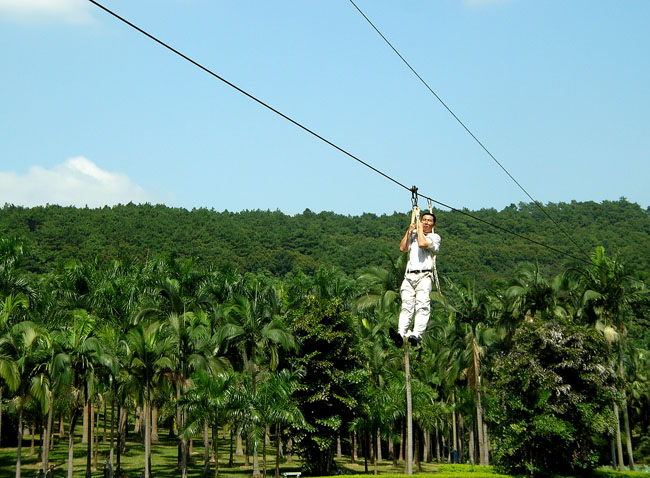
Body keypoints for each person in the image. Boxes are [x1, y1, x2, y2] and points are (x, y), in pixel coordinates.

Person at [390, 209, 440, 347]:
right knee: (406, 306)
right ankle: (401, 333)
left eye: (429, 221)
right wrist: (409, 231)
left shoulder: (434, 238)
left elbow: (423, 244)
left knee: (422, 305)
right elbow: (402, 248)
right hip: (409, 275)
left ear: (433, 224)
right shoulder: (413, 236)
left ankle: (417, 334)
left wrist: (418, 229)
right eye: (424, 220)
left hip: (424, 275)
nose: (426, 223)